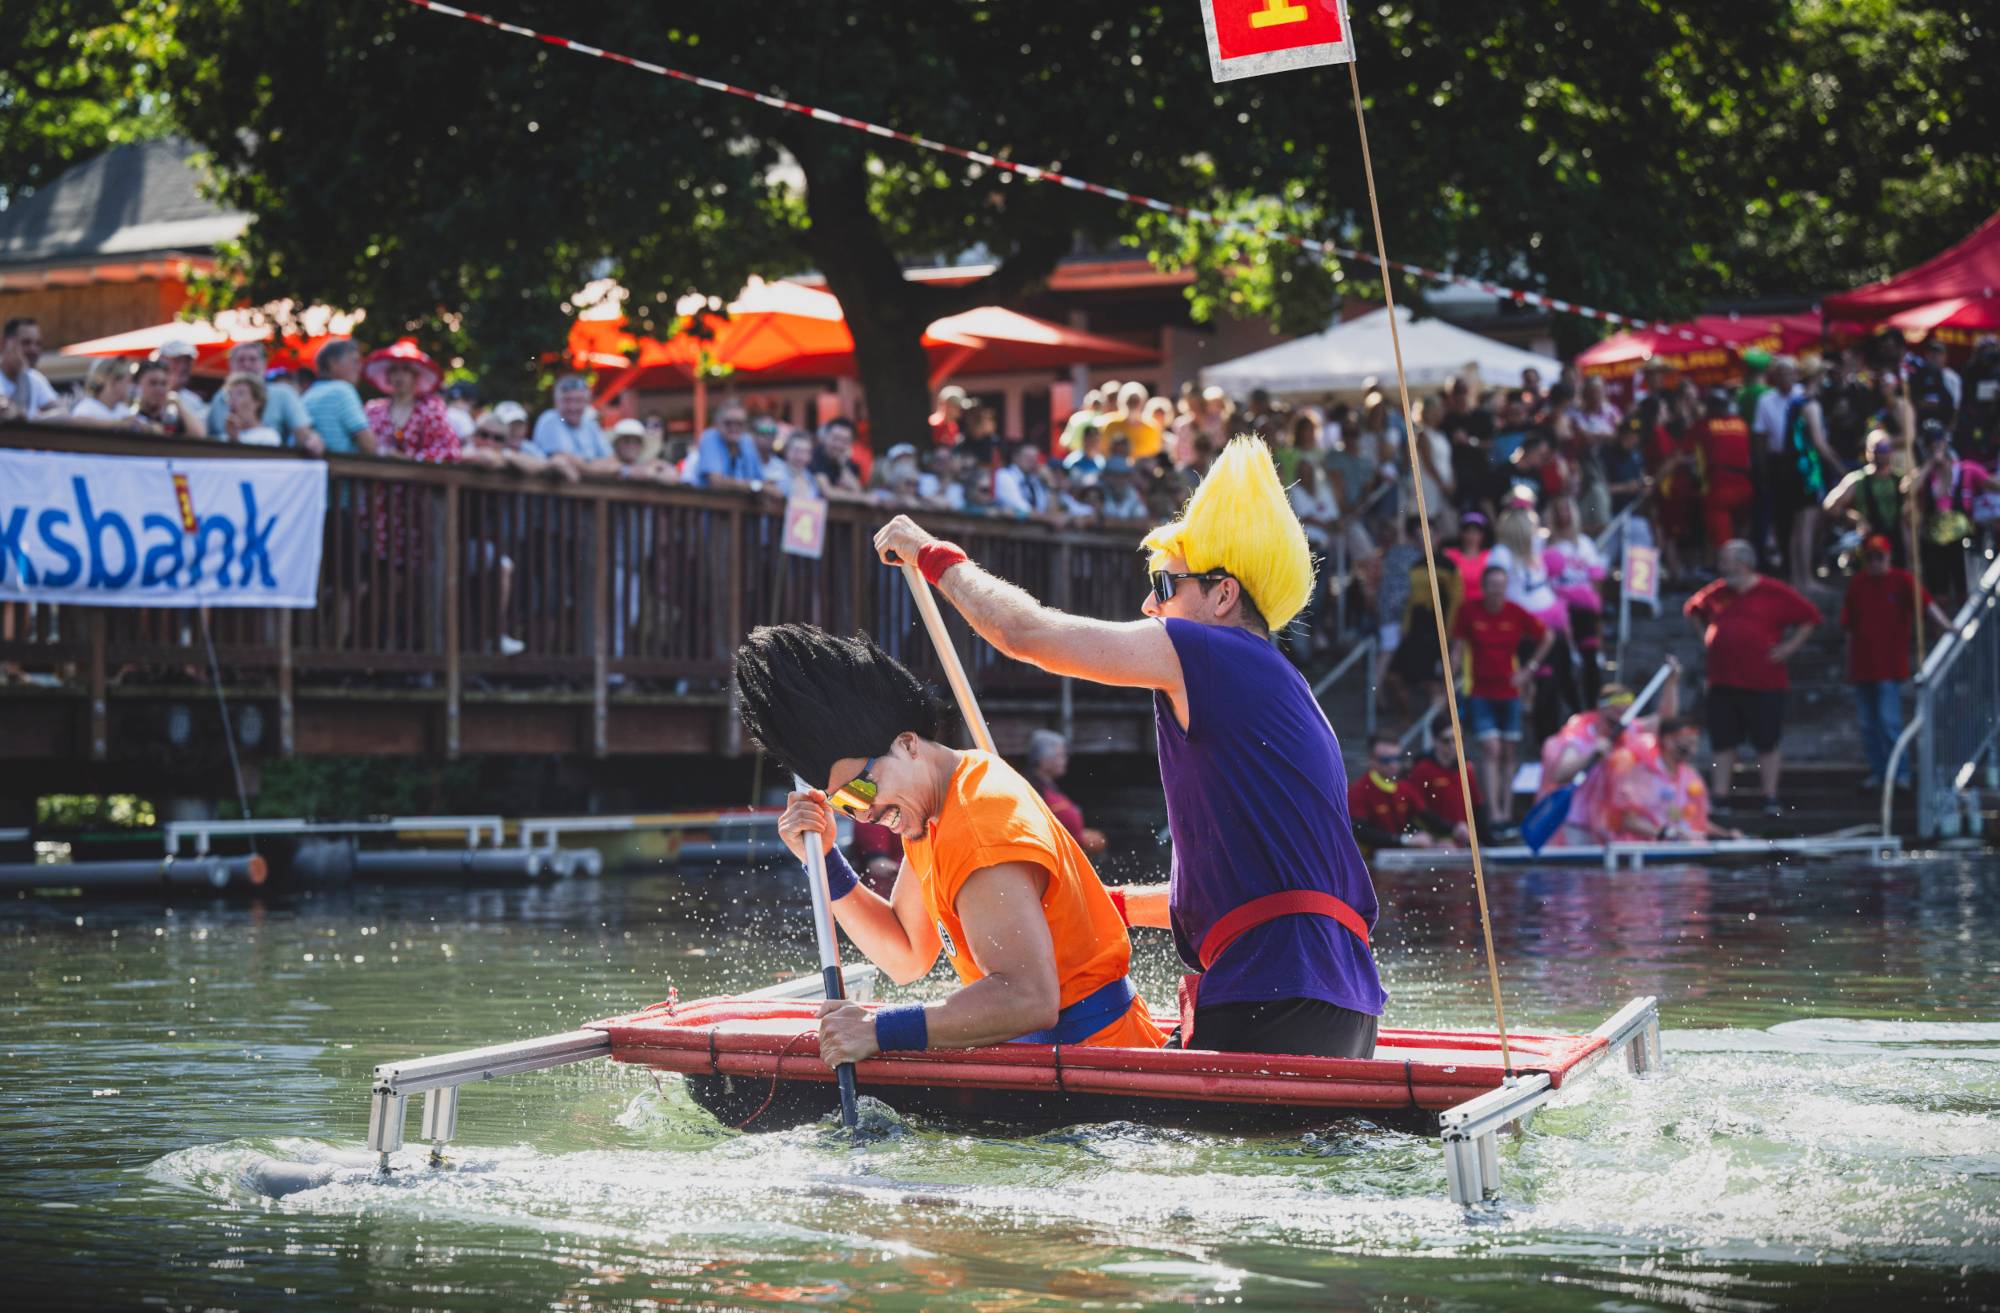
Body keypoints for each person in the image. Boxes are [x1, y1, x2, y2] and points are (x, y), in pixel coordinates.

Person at [871, 437, 1389, 1059]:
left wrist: (933, 556)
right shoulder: (1291, 688)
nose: (1150, 604)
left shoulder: (1207, 651)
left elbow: (1024, 633)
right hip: (1346, 1008)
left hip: (1268, 994)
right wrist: (1102, 902)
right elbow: (1237, 895)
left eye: (1164, 583)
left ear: (1223, 595)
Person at [743, 626, 1167, 1064]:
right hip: (1050, 1063)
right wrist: (824, 860)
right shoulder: (935, 805)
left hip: (1097, 1066)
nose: (863, 814)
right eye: (844, 804)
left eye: (861, 791)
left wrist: (878, 1030)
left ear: (907, 744)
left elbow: (1027, 999)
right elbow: (906, 956)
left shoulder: (980, 829)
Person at [1685, 539, 1821, 818]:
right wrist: (1706, 638)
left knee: (1767, 741)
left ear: (1744, 564)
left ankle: (1770, 797)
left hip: (1764, 682)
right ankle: (1720, 797)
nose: (1721, 567)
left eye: (1726, 561)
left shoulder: (1774, 592)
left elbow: (1811, 617)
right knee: (1722, 742)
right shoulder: (1718, 592)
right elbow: (1692, 610)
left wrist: (1788, 648)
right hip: (1722, 680)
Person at [1840, 534, 1957, 791]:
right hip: (1862, 667)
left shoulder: (1903, 580)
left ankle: (1900, 773)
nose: (1874, 562)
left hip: (1889, 668)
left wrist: (1950, 628)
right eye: (1869, 557)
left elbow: (1928, 606)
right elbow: (1848, 627)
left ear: (1888, 556)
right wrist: (1848, 665)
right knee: (1868, 725)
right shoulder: (1858, 584)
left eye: (1878, 556)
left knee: (1888, 721)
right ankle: (1878, 771)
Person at [1450, 565, 1556, 825]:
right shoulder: (1468, 611)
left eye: (1501, 585)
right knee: (1491, 748)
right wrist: (1449, 682)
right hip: (1480, 690)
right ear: (1484, 587)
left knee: (1509, 751)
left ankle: (1507, 811)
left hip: (1510, 690)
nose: (1497, 591)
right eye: (1492, 585)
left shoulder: (1515, 612)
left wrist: (1529, 669)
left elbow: (1547, 636)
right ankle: (1493, 811)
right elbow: (1457, 648)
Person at [1598, 715, 1743, 842]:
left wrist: (1727, 835)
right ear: (1667, 741)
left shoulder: (1691, 776)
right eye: (1687, 743)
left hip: (1682, 854)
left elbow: (1699, 823)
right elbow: (1628, 821)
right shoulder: (1641, 773)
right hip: (1643, 852)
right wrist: (1667, 834)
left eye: (1694, 744)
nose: (1692, 750)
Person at [205, 341, 322, 452]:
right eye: (241, 360)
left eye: (253, 359)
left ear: (264, 364)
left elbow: (304, 434)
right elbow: (207, 437)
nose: (246, 364)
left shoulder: (283, 394)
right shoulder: (219, 398)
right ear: (231, 365)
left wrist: (312, 442)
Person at [1823, 431, 1910, 568]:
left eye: (1885, 449)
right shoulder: (1857, 480)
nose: (1881, 454)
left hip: (1896, 544)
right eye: (1876, 449)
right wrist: (1857, 518)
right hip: (1870, 545)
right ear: (1867, 451)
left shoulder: (1900, 479)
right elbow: (1830, 506)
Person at [1023, 729, 1106, 855]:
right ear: (1043, 760)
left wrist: (1081, 835)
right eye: (1060, 755)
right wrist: (1080, 839)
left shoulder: (1050, 786)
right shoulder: (1033, 789)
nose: (1065, 760)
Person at [1346, 735, 1436, 849]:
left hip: (1401, 858)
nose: (1393, 765)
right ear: (1372, 761)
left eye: (1397, 758)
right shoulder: (1358, 791)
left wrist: (1436, 840)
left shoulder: (1405, 787)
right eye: (1386, 760)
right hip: (1371, 862)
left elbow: (1425, 819)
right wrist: (1406, 840)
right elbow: (1362, 832)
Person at [301, 339, 375, 455]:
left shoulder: (308, 394)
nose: (359, 367)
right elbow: (369, 445)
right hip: (342, 468)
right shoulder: (342, 390)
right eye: (354, 361)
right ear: (333, 363)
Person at [1408, 730, 1481, 844]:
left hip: (1465, 838)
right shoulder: (1422, 769)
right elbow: (1419, 811)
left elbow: (1477, 806)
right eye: (1446, 741)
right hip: (1435, 838)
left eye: (1457, 739)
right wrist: (1451, 829)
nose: (1453, 745)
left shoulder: (1467, 768)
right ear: (1435, 740)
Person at [533, 375, 615, 474]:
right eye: (567, 400)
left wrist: (585, 465)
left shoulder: (589, 424)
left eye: (578, 400)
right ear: (556, 402)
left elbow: (612, 461)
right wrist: (594, 464)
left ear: (586, 402)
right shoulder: (550, 420)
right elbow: (562, 459)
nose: (573, 407)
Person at [0, 317, 64, 420]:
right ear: (3, 344)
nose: (34, 350)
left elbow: (63, 412)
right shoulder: (25, 375)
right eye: (26, 343)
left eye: (38, 344)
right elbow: (13, 420)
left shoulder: (35, 378)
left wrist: (37, 419)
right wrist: (22, 374)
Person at [153, 339, 209, 438]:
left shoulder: (195, 401)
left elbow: (200, 435)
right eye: (177, 361)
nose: (183, 367)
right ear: (161, 360)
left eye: (187, 361)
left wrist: (175, 401)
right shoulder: (144, 391)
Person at [1097, 381, 1163, 461]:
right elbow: (1103, 450)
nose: (1133, 404)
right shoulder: (1110, 424)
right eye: (1130, 401)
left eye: (1136, 401)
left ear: (1142, 403)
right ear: (1122, 402)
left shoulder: (1151, 427)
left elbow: (1154, 455)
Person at [130, 360, 196, 437]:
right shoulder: (127, 416)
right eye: (153, 383)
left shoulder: (173, 420)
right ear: (138, 385)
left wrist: (177, 403)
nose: (159, 389)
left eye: (164, 384)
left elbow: (200, 435)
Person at [218, 373, 281, 446]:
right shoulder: (224, 438)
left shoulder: (268, 437)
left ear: (257, 401)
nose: (232, 399)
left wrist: (235, 440)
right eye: (230, 394)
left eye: (240, 394)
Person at [609, 416, 678, 484]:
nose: (631, 445)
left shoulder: (651, 464)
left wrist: (651, 473)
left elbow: (673, 476)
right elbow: (604, 467)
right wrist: (626, 471)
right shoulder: (608, 461)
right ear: (616, 444)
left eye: (636, 441)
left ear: (642, 446)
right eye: (626, 440)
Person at [69, 358, 137, 424]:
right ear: (112, 381)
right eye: (129, 380)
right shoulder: (86, 409)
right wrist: (120, 424)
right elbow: (78, 420)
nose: (132, 385)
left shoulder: (123, 409)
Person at [992, 442, 1051, 516]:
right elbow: (1021, 508)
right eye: (1028, 457)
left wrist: (1050, 483)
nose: (1033, 461)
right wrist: (1049, 518)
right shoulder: (1004, 475)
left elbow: (1045, 508)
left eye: (1035, 457)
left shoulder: (1036, 479)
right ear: (1015, 457)